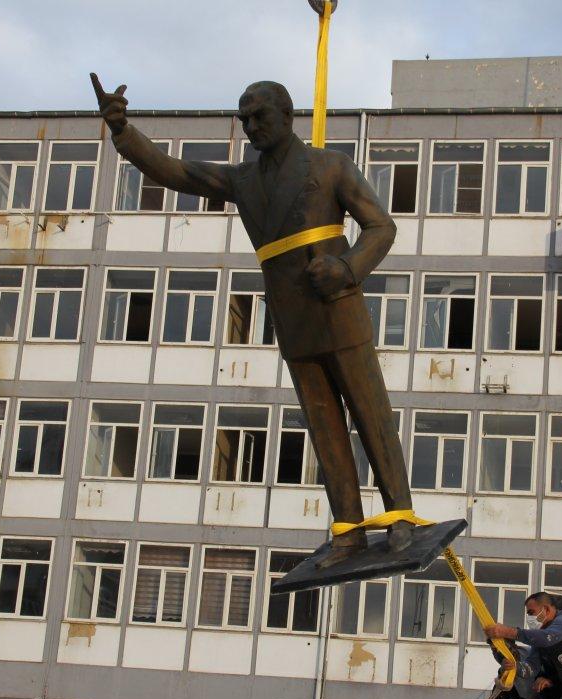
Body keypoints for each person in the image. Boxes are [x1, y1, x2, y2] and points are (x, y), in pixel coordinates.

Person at [92, 74, 413, 566]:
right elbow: (177, 173)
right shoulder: (243, 180)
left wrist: (349, 267)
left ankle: (400, 516)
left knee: (372, 417)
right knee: (324, 430)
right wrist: (123, 132)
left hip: (338, 310)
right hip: (292, 318)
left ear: (288, 116)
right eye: (243, 120)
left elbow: (381, 226)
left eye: (259, 116)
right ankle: (348, 530)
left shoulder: (330, 167)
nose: (250, 127)